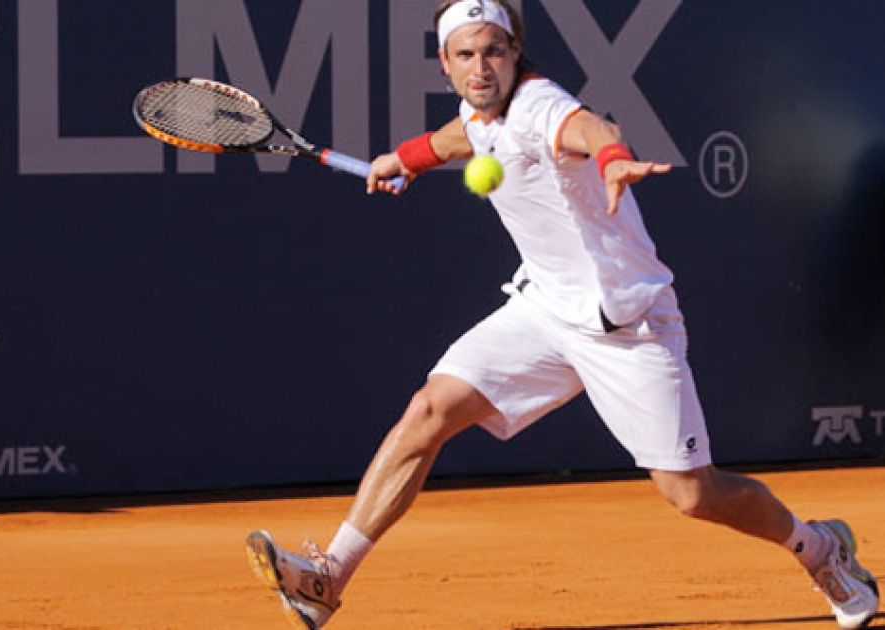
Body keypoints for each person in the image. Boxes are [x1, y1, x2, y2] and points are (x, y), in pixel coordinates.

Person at [244, 1, 880, 629]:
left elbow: (589, 129)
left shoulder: (540, 105)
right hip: (545, 310)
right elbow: (462, 135)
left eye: (494, 50)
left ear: (516, 51)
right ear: (445, 64)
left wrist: (612, 159)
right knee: (429, 410)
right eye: (465, 54)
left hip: (627, 328)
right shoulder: (478, 111)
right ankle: (330, 578)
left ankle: (822, 549)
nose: (481, 66)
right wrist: (405, 158)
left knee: (693, 493)